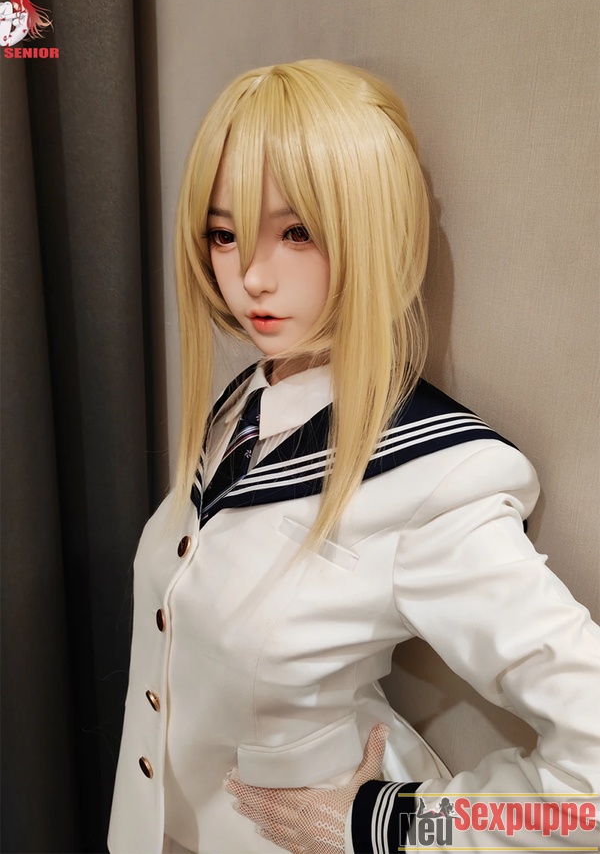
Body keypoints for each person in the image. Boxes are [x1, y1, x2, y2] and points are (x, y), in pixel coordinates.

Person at [107, 59, 600, 854]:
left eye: (297, 232)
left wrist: (388, 824)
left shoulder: (433, 476)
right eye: (224, 235)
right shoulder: (241, 404)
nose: (251, 277)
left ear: (373, 227)